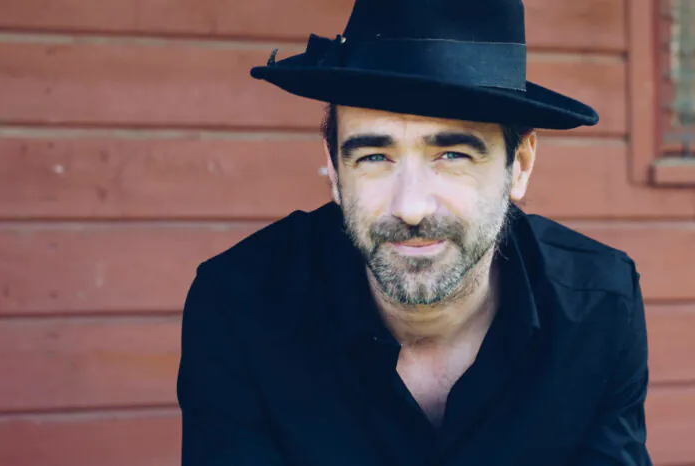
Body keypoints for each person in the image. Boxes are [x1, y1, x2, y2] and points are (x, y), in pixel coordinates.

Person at [176, 0, 652, 464]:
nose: (410, 207)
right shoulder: (240, 307)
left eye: (452, 155)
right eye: (374, 157)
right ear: (334, 168)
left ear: (520, 165)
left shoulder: (599, 310)